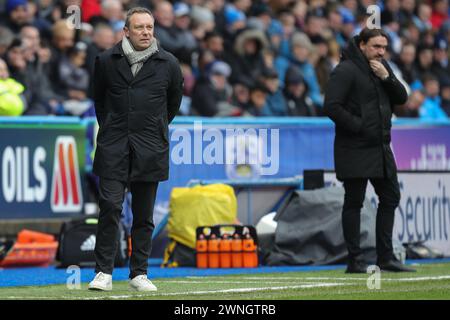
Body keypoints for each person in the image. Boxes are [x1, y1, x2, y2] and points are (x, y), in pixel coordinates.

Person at [89, 7, 183, 292]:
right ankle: (103, 272)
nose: (146, 32)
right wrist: (114, 129)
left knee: (143, 215)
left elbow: (172, 105)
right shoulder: (105, 60)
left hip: (150, 147)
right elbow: (99, 103)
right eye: (139, 27)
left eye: (149, 27)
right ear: (126, 31)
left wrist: (152, 129)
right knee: (110, 207)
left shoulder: (168, 63)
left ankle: (138, 273)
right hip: (113, 146)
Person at [324, 28, 415, 274]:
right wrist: (359, 126)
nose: (381, 52)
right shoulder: (345, 70)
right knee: (354, 201)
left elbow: (402, 98)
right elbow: (331, 106)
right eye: (376, 46)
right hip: (354, 147)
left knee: (391, 197)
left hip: (381, 147)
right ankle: (355, 260)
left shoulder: (382, 68)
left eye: (384, 47)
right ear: (362, 44)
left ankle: (385, 257)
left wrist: (388, 77)